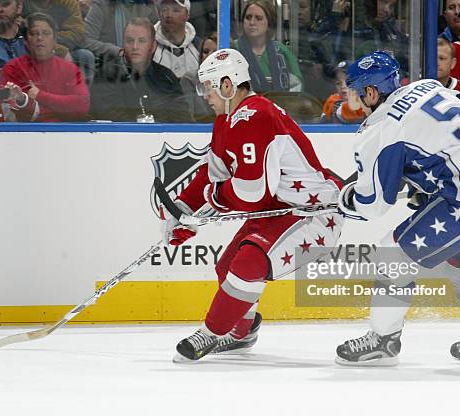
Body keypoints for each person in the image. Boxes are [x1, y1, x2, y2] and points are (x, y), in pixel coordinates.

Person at [335, 51, 460, 366]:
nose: (351, 99)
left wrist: (343, 202)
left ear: (371, 93)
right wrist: (433, 185)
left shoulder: (380, 130)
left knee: (391, 254)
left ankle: (382, 341)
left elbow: (373, 206)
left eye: (354, 91)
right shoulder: (426, 86)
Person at [162, 49, 345, 362]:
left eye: (208, 86)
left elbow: (251, 193)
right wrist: (182, 209)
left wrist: (206, 207)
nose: (205, 94)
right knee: (227, 265)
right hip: (281, 211)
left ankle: (213, 332)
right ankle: (242, 331)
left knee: (249, 264)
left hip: (313, 214)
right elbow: (213, 174)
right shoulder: (226, 121)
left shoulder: (254, 115)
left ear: (228, 85)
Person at [90, 17, 191, 122]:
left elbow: (183, 117)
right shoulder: (106, 75)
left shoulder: (166, 76)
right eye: (129, 41)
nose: (135, 46)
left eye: (141, 41)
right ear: (123, 44)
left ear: (153, 46)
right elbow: (110, 117)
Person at [0, 12, 90, 121]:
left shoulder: (70, 69)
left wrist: (40, 96)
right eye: (34, 33)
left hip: (64, 133)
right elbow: (7, 110)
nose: (40, 38)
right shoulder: (12, 69)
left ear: (55, 39)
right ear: (25, 41)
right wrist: (62, 107)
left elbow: (81, 106)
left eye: (46, 33)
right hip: (24, 133)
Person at [232, 0, 303, 93]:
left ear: (269, 22)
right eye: (248, 17)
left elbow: (297, 87)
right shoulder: (232, 49)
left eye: (258, 18)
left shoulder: (282, 51)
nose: (252, 22)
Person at [21, 0, 96, 83]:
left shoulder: (68, 3)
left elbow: (77, 33)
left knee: (85, 56)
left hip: (62, 47)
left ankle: (80, 94)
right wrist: (59, 50)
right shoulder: (22, 4)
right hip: (30, 50)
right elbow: (20, 33)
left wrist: (54, 46)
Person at [84, 0, 158, 60]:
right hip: (111, 65)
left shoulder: (148, 4)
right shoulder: (101, 4)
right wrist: (117, 52)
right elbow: (86, 40)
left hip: (145, 65)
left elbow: (158, 36)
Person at [152, 0, 201, 80]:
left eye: (176, 10)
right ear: (159, 14)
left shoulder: (200, 47)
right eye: (164, 9)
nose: (169, 15)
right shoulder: (148, 47)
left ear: (187, 15)